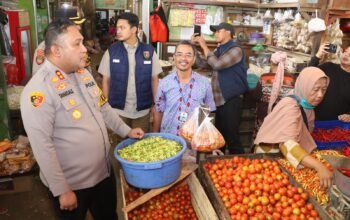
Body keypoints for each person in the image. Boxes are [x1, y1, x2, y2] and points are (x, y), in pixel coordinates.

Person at [20, 19, 144, 220]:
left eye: (82, 42)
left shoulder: (83, 74)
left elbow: (104, 107)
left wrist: (126, 130)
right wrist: (61, 190)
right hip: (73, 186)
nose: (84, 49)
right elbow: (42, 145)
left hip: (103, 175)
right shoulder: (38, 91)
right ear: (57, 50)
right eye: (77, 43)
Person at [254, 67, 332, 189]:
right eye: (316, 89)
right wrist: (319, 166)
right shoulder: (290, 106)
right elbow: (287, 145)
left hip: (285, 156)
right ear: (305, 86)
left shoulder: (306, 104)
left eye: (324, 89)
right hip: (270, 158)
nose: (320, 95)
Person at [98, 12, 162, 137]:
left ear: (134, 29)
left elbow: (155, 79)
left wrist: (156, 105)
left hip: (142, 112)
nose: (118, 31)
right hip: (118, 111)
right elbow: (105, 80)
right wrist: (105, 108)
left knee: (140, 145)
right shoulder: (112, 51)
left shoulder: (148, 51)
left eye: (122, 27)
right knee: (119, 146)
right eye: (117, 28)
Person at [192, 22, 248, 154]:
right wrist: (194, 48)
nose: (215, 33)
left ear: (228, 32)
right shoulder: (219, 49)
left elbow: (217, 64)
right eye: (214, 31)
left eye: (218, 31)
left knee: (232, 137)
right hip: (219, 100)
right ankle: (220, 164)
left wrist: (204, 45)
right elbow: (203, 63)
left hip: (231, 98)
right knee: (219, 137)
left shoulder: (236, 50)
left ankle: (241, 165)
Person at [153, 40, 216, 135]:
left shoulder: (204, 83)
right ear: (174, 57)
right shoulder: (164, 82)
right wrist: (155, 135)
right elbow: (159, 111)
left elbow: (208, 111)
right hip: (168, 138)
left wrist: (206, 136)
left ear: (194, 59)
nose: (183, 58)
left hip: (193, 139)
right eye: (179, 54)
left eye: (188, 55)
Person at [249, 51, 295, 136]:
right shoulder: (291, 79)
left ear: (271, 63)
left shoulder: (264, 77)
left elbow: (256, 96)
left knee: (262, 142)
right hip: (283, 118)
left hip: (265, 116)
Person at [32, 8, 86, 75]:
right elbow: (40, 77)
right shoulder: (44, 48)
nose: (79, 27)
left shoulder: (76, 43)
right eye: (74, 24)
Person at [309, 43, 350, 122]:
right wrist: (318, 56)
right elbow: (308, 74)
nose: (346, 55)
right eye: (346, 52)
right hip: (314, 119)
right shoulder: (328, 67)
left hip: (338, 125)